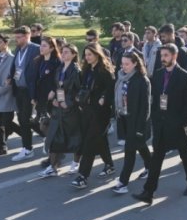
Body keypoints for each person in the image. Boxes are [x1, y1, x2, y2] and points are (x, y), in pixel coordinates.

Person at [132, 44, 187, 204]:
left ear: (174, 56)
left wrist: (181, 122)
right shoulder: (158, 74)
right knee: (157, 158)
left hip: (179, 125)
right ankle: (148, 191)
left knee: (186, 155)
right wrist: (155, 118)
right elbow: (154, 99)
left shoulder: (185, 76)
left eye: (166, 55)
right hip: (161, 124)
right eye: (161, 55)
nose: (163, 58)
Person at [71, 44, 117, 188]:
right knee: (100, 139)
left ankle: (83, 176)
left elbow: (111, 89)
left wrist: (104, 97)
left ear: (97, 54)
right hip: (87, 109)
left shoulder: (104, 71)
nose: (87, 57)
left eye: (90, 54)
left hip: (100, 112)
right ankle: (109, 164)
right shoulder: (86, 70)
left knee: (89, 142)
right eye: (85, 54)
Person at [112, 52, 152, 194]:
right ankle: (151, 167)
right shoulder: (120, 77)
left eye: (127, 64)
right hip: (123, 119)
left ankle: (123, 182)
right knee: (140, 146)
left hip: (136, 121)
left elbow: (145, 107)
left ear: (135, 63)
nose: (124, 67)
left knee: (129, 151)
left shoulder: (142, 80)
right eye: (122, 63)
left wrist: (141, 128)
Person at [41, 44, 82, 177]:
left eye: (66, 52)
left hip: (71, 111)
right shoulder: (59, 68)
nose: (63, 54)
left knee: (74, 138)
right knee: (54, 137)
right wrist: (56, 99)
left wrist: (68, 103)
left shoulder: (76, 71)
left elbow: (79, 91)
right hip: (58, 109)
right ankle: (53, 167)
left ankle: (76, 163)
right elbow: (59, 87)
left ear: (74, 55)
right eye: (62, 52)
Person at [10, 26, 41, 162]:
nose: (17, 40)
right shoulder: (18, 49)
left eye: (19, 37)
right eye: (16, 37)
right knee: (22, 118)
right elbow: (15, 67)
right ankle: (43, 136)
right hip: (19, 89)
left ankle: (27, 149)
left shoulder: (35, 48)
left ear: (27, 35)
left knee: (25, 119)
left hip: (30, 90)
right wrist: (10, 78)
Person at [35, 37, 62, 168]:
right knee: (43, 127)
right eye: (41, 45)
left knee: (52, 129)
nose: (41, 48)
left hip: (53, 100)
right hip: (41, 100)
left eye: (45, 46)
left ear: (52, 48)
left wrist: (54, 91)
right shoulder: (39, 61)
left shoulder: (56, 62)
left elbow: (60, 81)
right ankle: (54, 153)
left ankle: (54, 158)